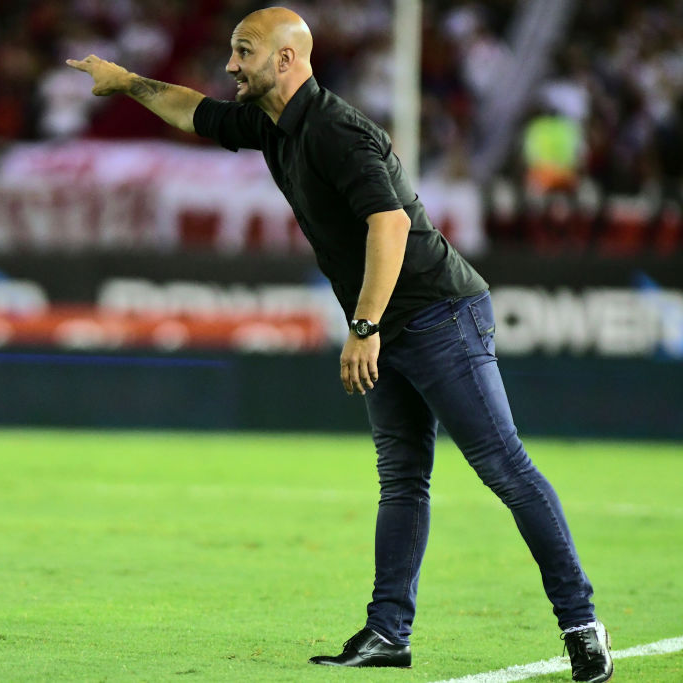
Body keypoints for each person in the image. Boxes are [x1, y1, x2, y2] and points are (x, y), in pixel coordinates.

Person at [66, 7, 613, 682]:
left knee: (504, 467)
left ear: (287, 59)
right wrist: (127, 82)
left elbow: (389, 225)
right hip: (392, 322)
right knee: (403, 480)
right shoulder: (271, 123)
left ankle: (581, 624)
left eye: (244, 51)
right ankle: (388, 632)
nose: (231, 64)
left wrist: (363, 327)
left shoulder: (336, 130)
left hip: (439, 314)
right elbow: (194, 112)